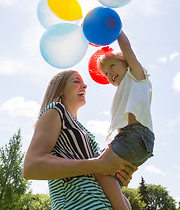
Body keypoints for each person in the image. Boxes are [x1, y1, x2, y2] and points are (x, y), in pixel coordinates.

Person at [23, 70, 137, 210]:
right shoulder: (56, 110)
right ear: (60, 89)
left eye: (83, 83)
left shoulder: (84, 130)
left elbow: (97, 173)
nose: (85, 86)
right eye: (77, 81)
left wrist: (117, 174)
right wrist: (98, 165)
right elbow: (32, 166)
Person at [97, 29, 155, 188]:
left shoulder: (136, 76)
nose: (109, 74)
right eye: (106, 73)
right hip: (130, 141)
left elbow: (126, 47)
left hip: (136, 136)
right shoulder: (121, 92)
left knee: (95, 166)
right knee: (107, 182)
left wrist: (116, 29)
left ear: (126, 63)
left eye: (112, 66)